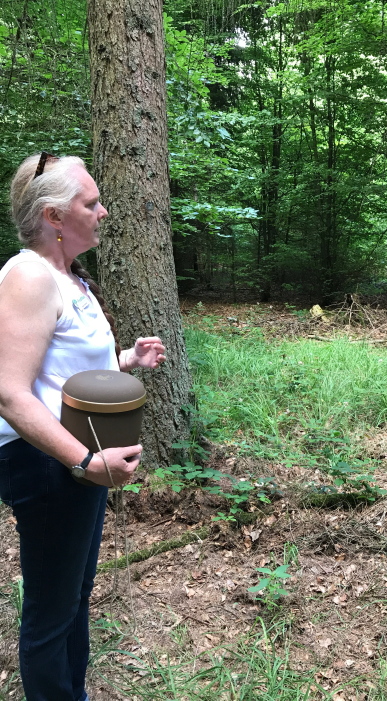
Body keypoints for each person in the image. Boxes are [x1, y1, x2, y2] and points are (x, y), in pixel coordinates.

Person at [0, 152, 166, 701]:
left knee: (73, 595)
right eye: (91, 203)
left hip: (75, 462)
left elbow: (63, 373)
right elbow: (10, 393)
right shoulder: (29, 276)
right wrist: (85, 460)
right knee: (52, 610)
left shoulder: (67, 279)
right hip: (48, 463)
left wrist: (127, 360)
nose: (103, 212)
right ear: (53, 216)